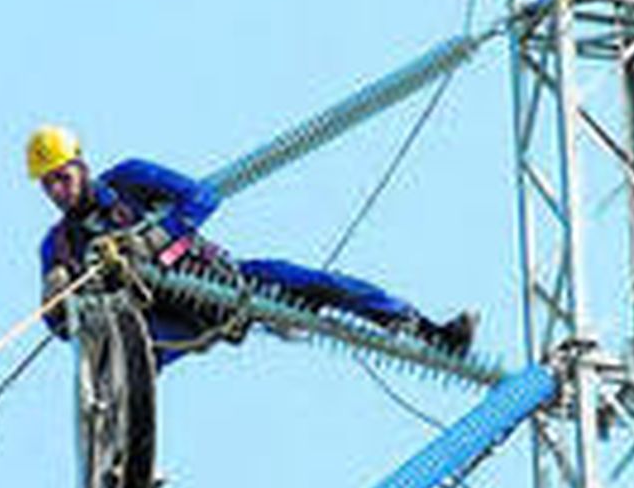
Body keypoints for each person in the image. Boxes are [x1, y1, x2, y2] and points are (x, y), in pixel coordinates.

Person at [27, 124, 476, 365]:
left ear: (81, 165)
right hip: (165, 319)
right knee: (128, 358)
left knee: (319, 284)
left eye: (62, 177)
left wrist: (160, 235)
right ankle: (122, 465)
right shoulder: (61, 244)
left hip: (220, 282)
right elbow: (61, 328)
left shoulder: (129, 180)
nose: (58, 191)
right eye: (48, 186)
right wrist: (58, 298)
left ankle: (426, 331)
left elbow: (202, 196)